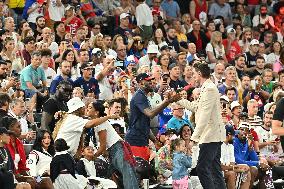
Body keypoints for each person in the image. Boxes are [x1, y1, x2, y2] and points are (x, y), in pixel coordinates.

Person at [176, 63, 226, 189]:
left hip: (210, 135)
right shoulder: (206, 87)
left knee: (202, 168)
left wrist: (193, 139)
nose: (192, 76)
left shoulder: (209, 89)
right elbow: (195, 107)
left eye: (193, 74)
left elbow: (204, 116)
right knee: (214, 169)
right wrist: (176, 99)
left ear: (199, 73)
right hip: (212, 135)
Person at [125, 73, 180, 161]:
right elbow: (150, 114)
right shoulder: (139, 96)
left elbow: (145, 123)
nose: (152, 82)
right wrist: (167, 102)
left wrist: (154, 140)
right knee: (139, 169)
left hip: (141, 139)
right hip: (135, 140)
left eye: (152, 80)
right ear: (141, 83)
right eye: (148, 81)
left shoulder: (144, 96)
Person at [85, 101, 139, 189]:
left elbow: (102, 147)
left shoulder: (101, 124)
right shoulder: (95, 123)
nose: (87, 109)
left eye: (90, 107)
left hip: (118, 149)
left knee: (128, 176)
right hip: (112, 151)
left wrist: (92, 157)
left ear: (96, 112)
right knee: (108, 177)